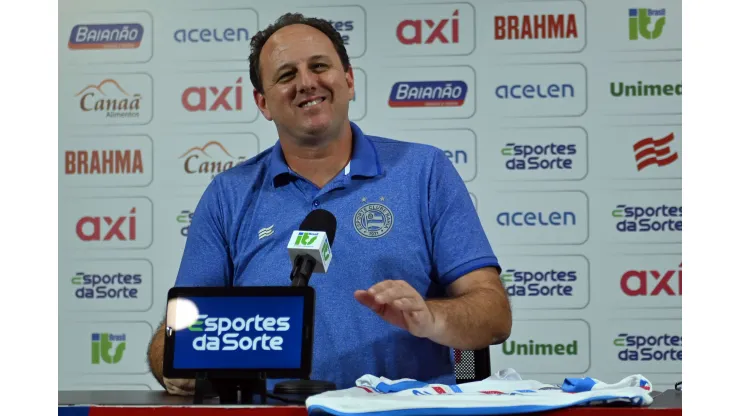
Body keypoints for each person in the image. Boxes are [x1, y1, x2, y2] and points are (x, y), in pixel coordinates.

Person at [147, 12, 512, 395]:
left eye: (319, 66)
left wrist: (430, 316)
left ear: (349, 80)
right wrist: (175, 365)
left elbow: (493, 313)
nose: (306, 83)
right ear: (263, 102)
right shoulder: (228, 195)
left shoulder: (424, 171)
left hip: (400, 409)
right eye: (286, 75)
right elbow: (173, 339)